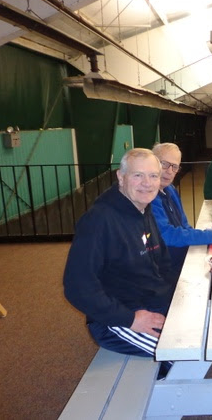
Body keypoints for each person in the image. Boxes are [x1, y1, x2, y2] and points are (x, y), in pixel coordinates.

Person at [63, 148, 177, 367]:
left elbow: (161, 262)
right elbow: (77, 287)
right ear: (121, 177)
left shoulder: (143, 208)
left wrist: (176, 296)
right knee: (182, 352)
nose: (147, 183)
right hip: (118, 320)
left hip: (152, 303)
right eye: (138, 175)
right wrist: (130, 319)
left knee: (201, 328)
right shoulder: (99, 221)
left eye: (153, 176)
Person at [151, 142, 212, 273]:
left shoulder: (170, 189)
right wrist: (211, 236)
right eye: (164, 164)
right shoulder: (148, 197)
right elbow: (166, 235)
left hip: (183, 257)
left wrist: (198, 246)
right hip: (164, 268)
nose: (169, 171)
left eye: (174, 167)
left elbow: (184, 225)